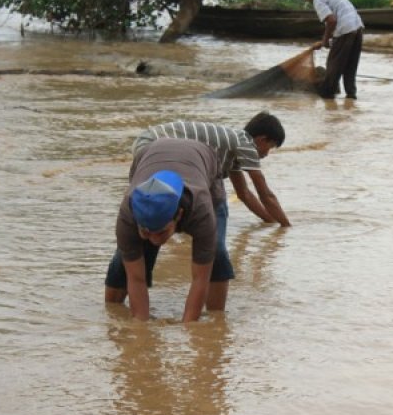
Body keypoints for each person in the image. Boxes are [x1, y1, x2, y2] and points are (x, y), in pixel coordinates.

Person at [131, 112, 291, 311]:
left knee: (178, 202)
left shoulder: (230, 150)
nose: (267, 153)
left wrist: (271, 223)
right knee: (159, 205)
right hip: (154, 144)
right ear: (261, 139)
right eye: (271, 147)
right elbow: (265, 193)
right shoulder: (245, 144)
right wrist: (286, 225)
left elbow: (244, 194)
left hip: (153, 142)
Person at [104, 139, 222, 322]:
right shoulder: (128, 213)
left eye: (161, 232)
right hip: (148, 155)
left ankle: (217, 315)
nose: (153, 239)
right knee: (127, 256)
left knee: (217, 252)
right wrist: (141, 329)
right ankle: (111, 307)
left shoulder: (202, 211)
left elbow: (200, 279)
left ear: (179, 216)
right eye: (146, 232)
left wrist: (189, 329)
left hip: (202, 158)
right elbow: (136, 279)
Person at [299, 0, 364, 99]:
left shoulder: (318, 0)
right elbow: (336, 19)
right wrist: (329, 40)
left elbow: (332, 20)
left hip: (345, 30)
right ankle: (351, 95)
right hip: (357, 28)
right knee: (350, 66)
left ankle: (327, 95)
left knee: (333, 65)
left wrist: (324, 41)